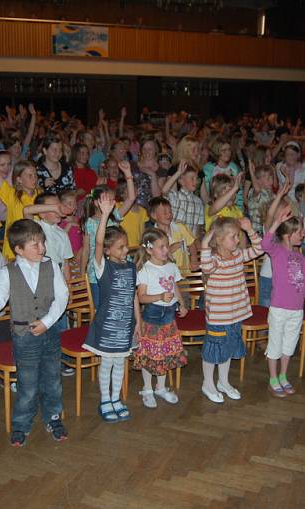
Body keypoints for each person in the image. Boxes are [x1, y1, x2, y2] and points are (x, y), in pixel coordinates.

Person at [0, 219, 69, 446]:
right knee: (27, 384)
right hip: (24, 335)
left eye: (42, 243)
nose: (42, 248)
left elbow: (62, 297)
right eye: (35, 245)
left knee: (52, 380)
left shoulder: (50, 265)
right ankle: (22, 423)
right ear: (19, 249)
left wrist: (48, 321)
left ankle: (53, 417)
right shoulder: (7, 272)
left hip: (49, 332)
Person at [82, 194, 140, 421]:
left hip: (125, 326)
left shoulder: (131, 267)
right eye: (120, 247)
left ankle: (116, 398)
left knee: (121, 363)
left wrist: (138, 322)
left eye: (125, 246)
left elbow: (134, 295)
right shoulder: (101, 267)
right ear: (107, 251)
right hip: (107, 327)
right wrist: (105, 215)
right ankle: (105, 399)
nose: (126, 250)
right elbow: (97, 243)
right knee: (107, 363)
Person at [261, 204, 305, 397]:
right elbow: (264, 244)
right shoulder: (277, 251)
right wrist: (277, 223)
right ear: (289, 235)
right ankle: (272, 378)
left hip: (296, 310)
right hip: (279, 308)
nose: (303, 234)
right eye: (299, 231)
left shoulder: (300, 256)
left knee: (289, 345)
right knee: (275, 345)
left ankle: (283, 375)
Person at [199, 216, 262, 403]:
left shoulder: (239, 255)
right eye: (233, 236)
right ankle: (208, 383)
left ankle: (223, 382)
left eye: (237, 236)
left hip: (235, 315)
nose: (237, 240)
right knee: (213, 351)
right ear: (219, 240)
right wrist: (204, 244)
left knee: (227, 349)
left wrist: (250, 230)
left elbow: (260, 249)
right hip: (219, 317)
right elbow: (206, 266)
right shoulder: (215, 260)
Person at [133, 229, 188, 408]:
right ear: (149, 250)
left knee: (164, 352)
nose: (166, 250)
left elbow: (175, 287)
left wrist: (182, 303)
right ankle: (148, 389)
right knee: (150, 353)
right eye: (161, 247)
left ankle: (161, 387)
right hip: (152, 316)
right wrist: (158, 297)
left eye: (166, 246)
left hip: (169, 316)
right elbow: (141, 297)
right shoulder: (145, 270)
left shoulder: (171, 266)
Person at [80, 164, 136, 307]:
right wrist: (82, 274)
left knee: (120, 304)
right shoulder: (89, 223)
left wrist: (128, 174)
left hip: (118, 267)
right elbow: (86, 250)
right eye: (106, 200)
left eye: (112, 200)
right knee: (101, 308)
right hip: (97, 272)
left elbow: (131, 198)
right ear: (95, 202)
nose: (111, 203)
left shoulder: (115, 217)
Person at [147, 196, 198, 272]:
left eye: (170, 212)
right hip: (165, 276)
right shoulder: (152, 236)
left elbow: (191, 244)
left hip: (184, 273)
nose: (169, 215)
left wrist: (194, 259)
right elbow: (153, 259)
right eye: (164, 213)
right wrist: (169, 250)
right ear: (154, 215)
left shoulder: (180, 227)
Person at [162, 161, 205, 237]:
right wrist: (178, 173)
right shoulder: (175, 197)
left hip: (190, 243)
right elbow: (164, 190)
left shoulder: (198, 201)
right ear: (181, 181)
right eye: (192, 178)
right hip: (174, 240)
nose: (196, 181)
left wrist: (195, 240)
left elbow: (198, 226)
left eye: (196, 178)